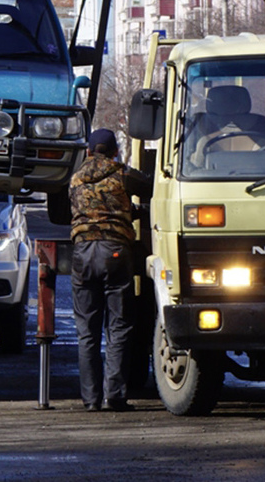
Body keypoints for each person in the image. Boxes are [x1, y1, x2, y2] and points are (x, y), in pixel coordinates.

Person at [69, 128, 150, 411]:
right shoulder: (123, 173)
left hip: (82, 252)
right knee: (118, 327)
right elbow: (150, 187)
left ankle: (91, 400)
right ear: (115, 150)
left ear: (90, 152)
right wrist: (134, 211)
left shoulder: (76, 178)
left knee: (87, 332)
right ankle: (114, 396)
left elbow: (88, 209)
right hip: (115, 251)